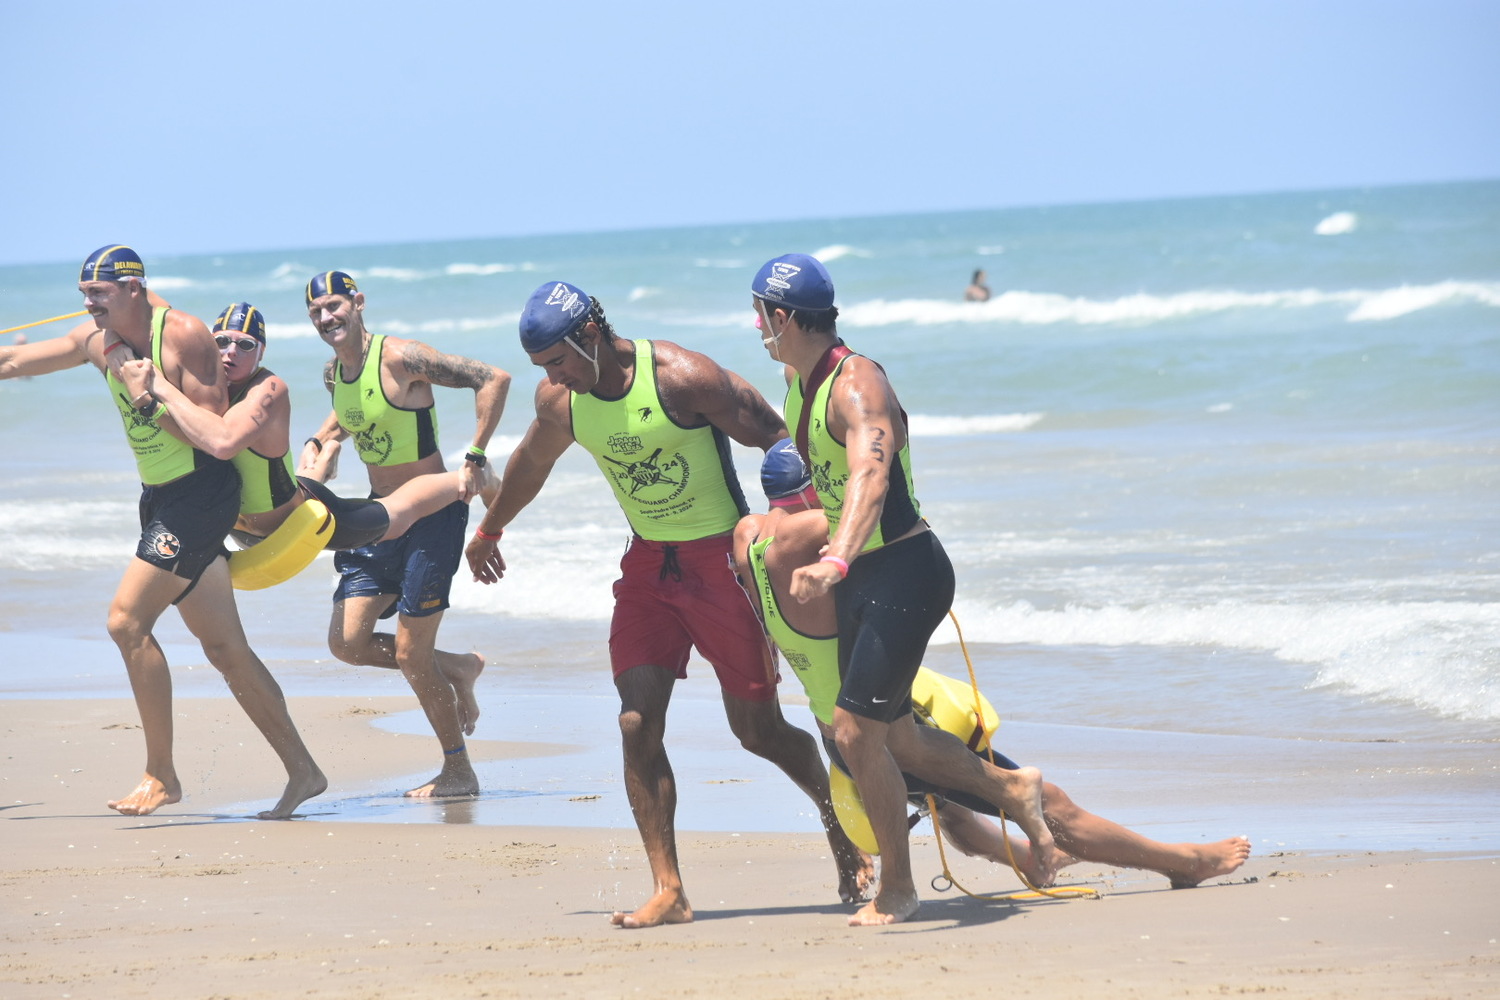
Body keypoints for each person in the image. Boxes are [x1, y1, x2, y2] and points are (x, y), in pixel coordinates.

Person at [464, 280, 871, 929]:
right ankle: (669, 887)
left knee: (757, 731)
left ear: (590, 336)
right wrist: (489, 529)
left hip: (722, 565)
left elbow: (778, 436)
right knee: (635, 723)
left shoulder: (684, 378)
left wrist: (799, 532)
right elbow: (532, 463)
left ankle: (843, 828)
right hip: (649, 566)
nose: (554, 376)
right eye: (544, 367)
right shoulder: (563, 401)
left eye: (560, 361)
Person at [734, 442, 1253, 891]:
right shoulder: (807, 539)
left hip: (836, 732)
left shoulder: (750, 537)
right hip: (883, 728)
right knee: (1044, 802)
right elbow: (875, 508)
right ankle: (1184, 862)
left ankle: (1027, 860)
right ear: (814, 493)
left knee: (950, 807)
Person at [751, 252, 1058, 925]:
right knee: (901, 740)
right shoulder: (798, 380)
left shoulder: (856, 386)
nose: (755, 329)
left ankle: (898, 887)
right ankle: (1013, 787)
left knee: (856, 732)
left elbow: (870, 475)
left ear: (779, 316)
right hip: (864, 572)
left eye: (758, 316)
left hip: (905, 570)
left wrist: (833, 559)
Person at [0, 245, 325, 819]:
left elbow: (214, 438)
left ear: (133, 288)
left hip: (200, 495)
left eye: (98, 292)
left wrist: (145, 390)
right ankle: (304, 770)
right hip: (159, 498)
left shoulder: (183, 336)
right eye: (83, 292)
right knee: (225, 648)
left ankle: (162, 774)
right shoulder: (95, 341)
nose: (87, 301)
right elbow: (12, 363)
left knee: (126, 622)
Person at [119, 301, 500, 732]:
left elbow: (224, 441)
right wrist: (322, 438)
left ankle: (475, 479)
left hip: (306, 518)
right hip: (262, 518)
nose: (229, 352)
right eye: (220, 341)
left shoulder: (266, 389)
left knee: (394, 513)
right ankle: (458, 666)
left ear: (261, 353)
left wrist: (152, 389)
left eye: (244, 345)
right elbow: (151, 325)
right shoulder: (202, 393)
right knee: (345, 633)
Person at [301, 270, 511, 798]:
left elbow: (494, 378)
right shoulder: (335, 374)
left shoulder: (401, 357)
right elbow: (345, 418)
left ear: (358, 303)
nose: (328, 318)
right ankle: (459, 668)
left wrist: (477, 454)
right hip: (378, 518)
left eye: (334, 306)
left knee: (411, 655)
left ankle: (458, 771)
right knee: (346, 643)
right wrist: (316, 448)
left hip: (433, 516)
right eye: (317, 312)